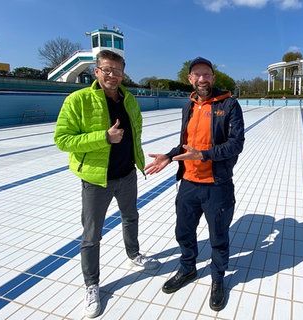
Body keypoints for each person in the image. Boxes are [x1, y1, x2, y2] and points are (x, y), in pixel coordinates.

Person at [54, 49, 160, 318]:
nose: (113, 75)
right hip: (96, 180)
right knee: (91, 235)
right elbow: (62, 139)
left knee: (131, 217)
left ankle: (134, 254)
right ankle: (92, 285)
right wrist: (103, 137)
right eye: (107, 70)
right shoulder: (77, 100)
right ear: (96, 71)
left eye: (118, 70)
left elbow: (135, 132)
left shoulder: (130, 99)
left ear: (123, 73)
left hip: (127, 175)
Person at [144, 57, 245, 311]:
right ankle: (188, 268)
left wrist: (204, 155)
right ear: (190, 79)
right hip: (188, 183)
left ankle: (218, 279)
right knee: (184, 232)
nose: (202, 79)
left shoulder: (229, 104)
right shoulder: (187, 107)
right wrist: (169, 156)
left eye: (207, 74)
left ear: (213, 77)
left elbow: (236, 143)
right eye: (197, 75)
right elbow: (186, 143)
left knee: (218, 237)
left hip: (217, 184)